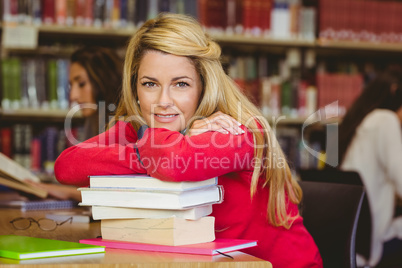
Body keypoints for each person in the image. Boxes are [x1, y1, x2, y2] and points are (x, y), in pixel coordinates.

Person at [54, 13, 322, 267]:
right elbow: (66, 166)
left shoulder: (237, 131)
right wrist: (145, 153)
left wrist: (146, 151)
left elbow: (174, 162)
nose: (163, 102)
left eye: (181, 84)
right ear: (134, 88)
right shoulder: (138, 129)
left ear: (203, 87)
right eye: (150, 84)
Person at [27, 46, 123, 202]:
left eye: (82, 84)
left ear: (105, 81)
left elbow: (117, 192)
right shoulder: (94, 121)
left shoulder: (123, 126)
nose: (73, 95)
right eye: (71, 85)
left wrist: (65, 192)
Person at [339, 68, 402, 267]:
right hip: (373, 241)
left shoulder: (362, 120)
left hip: (354, 238)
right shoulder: (385, 119)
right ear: (395, 91)